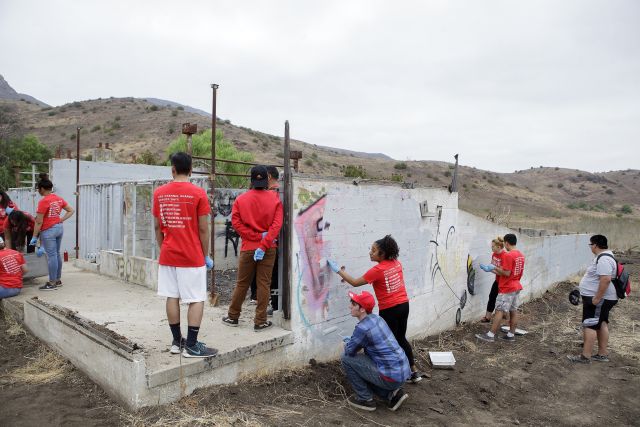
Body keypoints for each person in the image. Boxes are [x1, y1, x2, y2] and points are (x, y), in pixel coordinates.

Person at [327, 235, 425, 383]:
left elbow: (354, 282)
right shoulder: (396, 263)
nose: (370, 253)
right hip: (404, 305)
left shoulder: (378, 270)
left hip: (390, 309)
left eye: (374, 251)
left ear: (383, 254)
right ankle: (413, 371)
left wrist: (337, 270)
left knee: (381, 342)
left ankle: (379, 374)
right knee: (400, 338)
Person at [152, 152, 217, 358]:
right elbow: (204, 229)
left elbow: (156, 226)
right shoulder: (198, 193)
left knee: (172, 296)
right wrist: (205, 254)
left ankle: (176, 342)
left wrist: (164, 248)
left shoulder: (159, 193)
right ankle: (191, 345)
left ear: (172, 169)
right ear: (190, 170)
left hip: (169, 254)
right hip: (191, 255)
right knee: (196, 298)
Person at [222, 165, 283, 331]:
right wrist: (263, 243)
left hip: (248, 247)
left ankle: (233, 316)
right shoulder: (275, 199)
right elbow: (276, 226)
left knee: (242, 283)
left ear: (251, 180)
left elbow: (236, 223)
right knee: (264, 284)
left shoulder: (241, 200)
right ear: (266, 179)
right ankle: (260, 321)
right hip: (268, 247)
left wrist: (254, 238)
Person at [341, 290, 410, 412]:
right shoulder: (378, 319)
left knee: (346, 359)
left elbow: (350, 352)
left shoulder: (362, 328)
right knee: (365, 366)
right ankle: (392, 394)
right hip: (402, 372)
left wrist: (347, 343)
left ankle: (365, 399)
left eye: (353, 303)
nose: (349, 306)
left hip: (390, 377)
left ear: (362, 309)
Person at [568, 234, 618, 363]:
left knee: (589, 325)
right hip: (602, 298)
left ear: (595, 245)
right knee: (601, 323)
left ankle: (585, 356)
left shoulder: (603, 259)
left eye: (591, 244)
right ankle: (602, 354)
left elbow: (605, 280)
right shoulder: (605, 257)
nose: (590, 247)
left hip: (599, 299)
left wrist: (597, 298)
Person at [476, 233, 525, 343]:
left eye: (505, 244)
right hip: (516, 285)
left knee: (499, 310)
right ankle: (511, 334)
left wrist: (494, 268)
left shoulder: (508, 255)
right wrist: (493, 269)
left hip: (507, 287)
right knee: (513, 310)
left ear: (507, 243)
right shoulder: (520, 255)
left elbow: (506, 273)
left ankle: (490, 335)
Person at [30, 174, 74, 291]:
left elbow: (39, 221)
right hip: (59, 228)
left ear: (42, 189)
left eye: (38, 189)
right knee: (56, 254)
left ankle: (52, 282)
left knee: (51, 256)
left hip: (48, 230)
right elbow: (71, 210)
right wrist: (60, 220)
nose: (38, 191)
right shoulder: (58, 198)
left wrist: (34, 236)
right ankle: (58, 279)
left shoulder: (43, 201)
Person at [249, 165, 280, 314]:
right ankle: (270, 307)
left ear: (268, 176)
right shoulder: (278, 194)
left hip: (267, 242)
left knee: (267, 278)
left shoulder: (272, 195)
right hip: (273, 241)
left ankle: (273, 306)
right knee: (269, 277)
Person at [479, 236, 506, 323]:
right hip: (497, 281)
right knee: (492, 297)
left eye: (493, 246)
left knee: (503, 301)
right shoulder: (494, 254)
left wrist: (490, 269)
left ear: (498, 247)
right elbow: (492, 266)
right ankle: (487, 317)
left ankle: (506, 318)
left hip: (504, 282)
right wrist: (488, 268)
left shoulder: (505, 256)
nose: (491, 247)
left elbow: (502, 273)